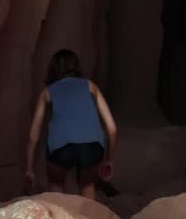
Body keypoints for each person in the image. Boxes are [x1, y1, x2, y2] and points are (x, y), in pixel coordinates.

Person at [24, 49, 118, 200]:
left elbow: (33, 135)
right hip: (92, 147)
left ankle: (59, 209)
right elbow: (112, 129)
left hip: (61, 149)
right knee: (87, 184)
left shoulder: (47, 92)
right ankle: (89, 213)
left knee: (56, 183)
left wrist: (29, 168)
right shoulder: (91, 86)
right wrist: (108, 159)